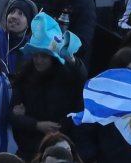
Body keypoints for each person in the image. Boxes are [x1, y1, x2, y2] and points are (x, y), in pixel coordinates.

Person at [9, 12, 86, 156]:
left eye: (44, 56)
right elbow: (12, 116)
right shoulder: (24, 75)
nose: (38, 60)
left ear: (53, 58)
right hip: (29, 149)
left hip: (60, 148)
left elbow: (81, 75)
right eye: (35, 55)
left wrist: (69, 56)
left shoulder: (67, 77)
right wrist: (37, 125)